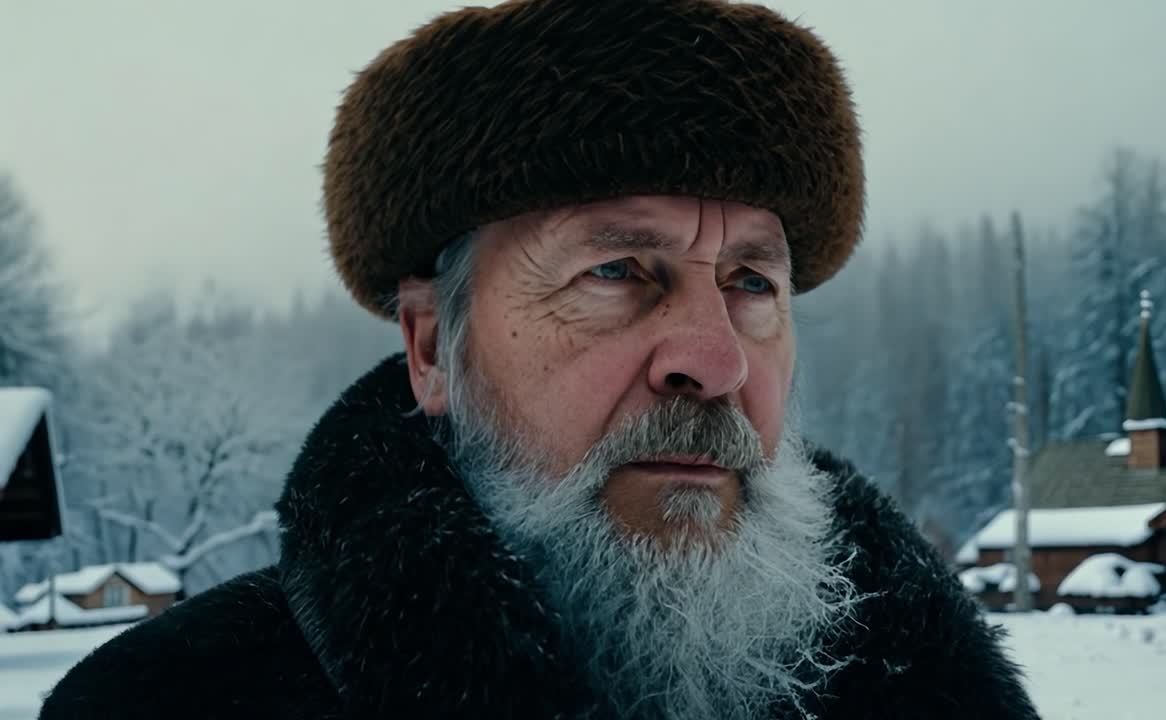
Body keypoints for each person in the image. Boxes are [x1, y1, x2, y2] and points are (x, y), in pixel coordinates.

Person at [41, 1, 1039, 718]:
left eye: (750, 284)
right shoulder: (169, 701)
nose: (715, 361)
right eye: (616, 271)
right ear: (433, 350)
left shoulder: (914, 688)